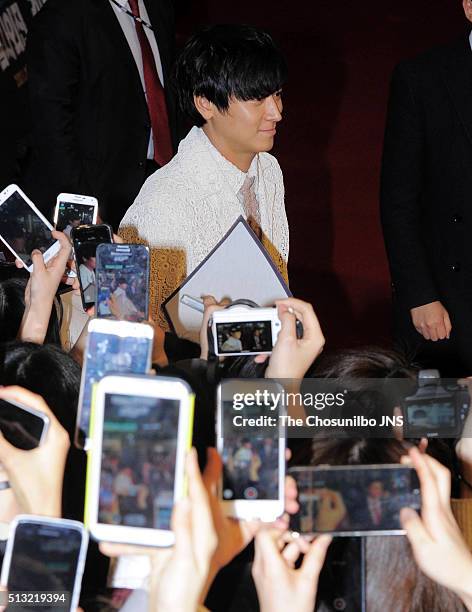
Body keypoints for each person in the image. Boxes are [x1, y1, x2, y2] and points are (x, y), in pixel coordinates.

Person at [120, 24, 289, 328]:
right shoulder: (163, 203)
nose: (276, 112)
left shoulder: (268, 169)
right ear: (206, 103)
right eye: (257, 100)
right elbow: (139, 324)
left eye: (277, 94)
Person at [23, 0, 183, 230]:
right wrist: (84, 216)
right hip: (104, 203)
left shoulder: (158, 6)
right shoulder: (60, 19)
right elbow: (52, 133)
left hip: (166, 180)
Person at [380, 1, 472, 375]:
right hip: (452, 295)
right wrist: (420, 296)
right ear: (469, 7)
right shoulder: (423, 77)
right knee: (444, 426)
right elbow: (398, 198)